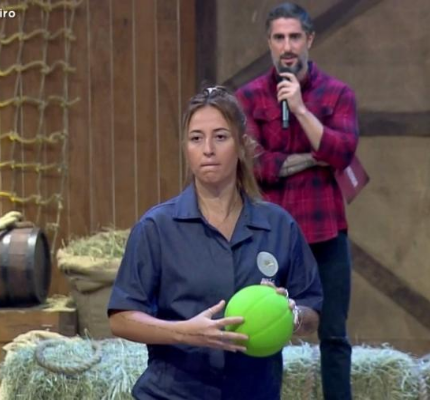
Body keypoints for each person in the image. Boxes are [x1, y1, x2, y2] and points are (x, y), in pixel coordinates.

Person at [108, 86, 323, 400]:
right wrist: (184, 332)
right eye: (196, 138)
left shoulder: (279, 226)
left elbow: (312, 310)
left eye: (220, 137)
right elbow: (121, 318)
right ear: (186, 148)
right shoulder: (156, 228)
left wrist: (292, 316)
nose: (207, 149)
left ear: (242, 146)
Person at [235, 3, 359, 400]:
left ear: (309, 40)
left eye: (294, 37)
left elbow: (342, 152)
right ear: (269, 43)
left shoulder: (338, 94)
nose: (287, 46)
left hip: (326, 232)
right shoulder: (249, 97)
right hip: (271, 235)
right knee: (264, 332)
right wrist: (312, 156)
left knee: (334, 335)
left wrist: (301, 108)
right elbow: (255, 164)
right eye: (279, 38)